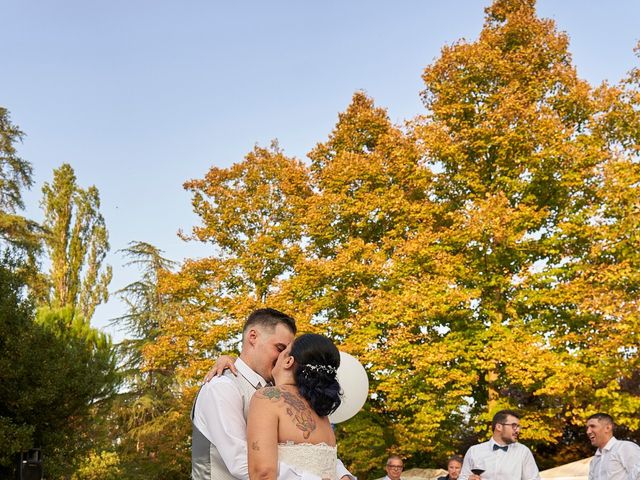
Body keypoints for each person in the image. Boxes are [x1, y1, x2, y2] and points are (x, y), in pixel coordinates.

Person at [192, 308, 354, 480]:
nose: (283, 358)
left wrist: (341, 473)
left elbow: (313, 447)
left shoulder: (284, 392)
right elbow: (241, 461)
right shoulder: (222, 386)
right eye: (279, 348)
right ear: (252, 337)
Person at [247, 333, 342, 480]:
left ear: (288, 361)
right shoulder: (321, 412)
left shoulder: (267, 397)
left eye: (282, 351)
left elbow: (262, 472)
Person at [459, 409, 540, 480]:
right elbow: (462, 478)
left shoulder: (523, 452)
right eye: (514, 426)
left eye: (518, 427)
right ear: (499, 427)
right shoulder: (474, 451)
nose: (518, 430)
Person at [586, 412, 640, 480]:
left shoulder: (625, 448)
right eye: (587, 428)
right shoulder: (595, 460)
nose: (588, 431)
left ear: (608, 428)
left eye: (593, 426)